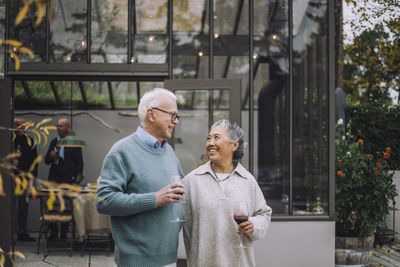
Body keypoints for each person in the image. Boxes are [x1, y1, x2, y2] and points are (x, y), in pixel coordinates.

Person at [96, 88, 185, 267]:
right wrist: (155, 199)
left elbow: (181, 194)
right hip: (136, 262)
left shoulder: (168, 152)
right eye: (172, 115)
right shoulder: (121, 151)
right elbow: (103, 201)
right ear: (151, 115)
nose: (175, 121)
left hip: (169, 259)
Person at [182, 119, 272, 267]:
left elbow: (264, 214)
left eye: (217, 137)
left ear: (234, 145)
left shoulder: (247, 180)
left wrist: (253, 225)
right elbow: (175, 220)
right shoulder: (192, 181)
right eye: (208, 138)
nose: (210, 143)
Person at [44, 117, 84, 240]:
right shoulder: (54, 141)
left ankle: (63, 232)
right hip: (54, 180)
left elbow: (80, 164)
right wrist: (51, 156)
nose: (58, 128)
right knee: (52, 206)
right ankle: (53, 231)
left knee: (66, 207)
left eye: (61, 126)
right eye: (57, 126)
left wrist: (77, 181)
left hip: (68, 180)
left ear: (68, 128)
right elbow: (46, 161)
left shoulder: (74, 143)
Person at [13, 118, 38, 242]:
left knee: (23, 206)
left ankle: (22, 232)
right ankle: (7, 233)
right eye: (18, 125)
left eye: (23, 125)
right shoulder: (9, 140)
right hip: (10, 178)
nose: (21, 127)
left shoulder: (30, 141)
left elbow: (35, 162)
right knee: (9, 206)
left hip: (25, 179)